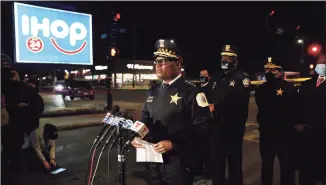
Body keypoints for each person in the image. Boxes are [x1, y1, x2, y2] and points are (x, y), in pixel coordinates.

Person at [131, 39, 212, 185]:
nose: (158, 65)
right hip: (153, 159)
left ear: (178, 62)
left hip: (179, 162)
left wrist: (174, 144)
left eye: (163, 61)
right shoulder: (152, 91)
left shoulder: (192, 92)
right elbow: (146, 118)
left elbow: (203, 126)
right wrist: (137, 134)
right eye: (156, 61)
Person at [210, 45, 251, 185]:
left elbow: (239, 104)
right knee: (217, 164)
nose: (225, 59)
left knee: (234, 164)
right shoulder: (216, 78)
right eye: (223, 57)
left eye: (228, 57)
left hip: (233, 129)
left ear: (235, 60)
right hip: (216, 129)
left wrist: (216, 107)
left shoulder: (242, 78)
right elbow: (210, 97)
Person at [255, 57, 296, 185]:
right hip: (267, 133)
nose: (269, 72)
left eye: (272, 70)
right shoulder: (261, 89)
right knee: (267, 165)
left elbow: (294, 109)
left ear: (280, 72)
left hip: (285, 133)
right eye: (267, 69)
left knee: (287, 166)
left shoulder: (289, 88)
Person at [295, 53, 326, 185]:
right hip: (307, 136)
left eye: (324, 62)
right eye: (320, 61)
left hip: (323, 135)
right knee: (307, 174)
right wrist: (297, 123)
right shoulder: (307, 84)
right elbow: (297, 106)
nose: (321, 64)